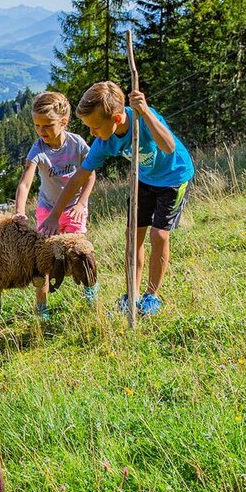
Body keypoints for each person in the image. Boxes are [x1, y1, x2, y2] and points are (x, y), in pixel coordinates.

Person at [39, 81, 194, 316]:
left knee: (159, 234)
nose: (92, 134)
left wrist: (146, 113)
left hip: (173, 178)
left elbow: (169, 146)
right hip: (143, 179)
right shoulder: (104, 142)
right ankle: (131, 294)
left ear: (118, 119)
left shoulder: (143, 118)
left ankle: (151, 297)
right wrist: (54, 215)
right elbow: (78, 178)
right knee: (133, 237)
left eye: (96, 127)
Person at [13, 91, 98, 318]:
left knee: (81, 253)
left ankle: (91, 294)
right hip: (46, 209)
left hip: (73, 210)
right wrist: (20, 212)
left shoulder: (77, 144)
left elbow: (90, 175)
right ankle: (42, 307)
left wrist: (82, 203)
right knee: (43, 259)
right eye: (37, 126)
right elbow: (25, 183)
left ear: (63, 122)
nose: (42, 131)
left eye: (47, 125)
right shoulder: (38, 149)